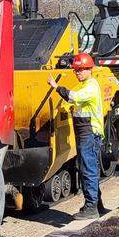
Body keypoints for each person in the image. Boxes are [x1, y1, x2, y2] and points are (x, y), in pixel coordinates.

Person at [47, 52, 105, 220]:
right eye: (76, 70)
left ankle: (91, 207)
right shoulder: (84, 84)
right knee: (88, 168)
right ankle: (96, 203)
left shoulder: (91, 86)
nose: (77, 73)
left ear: (89, 69)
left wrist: (56, 87)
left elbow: (74, 97)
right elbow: (75, 102)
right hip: (84, 132)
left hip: (89, 132)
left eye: (80, 70)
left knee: (88, 169)